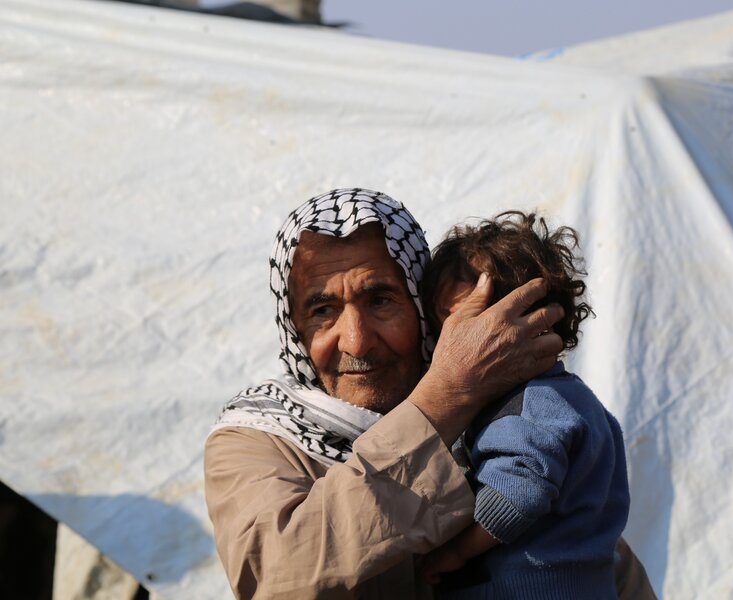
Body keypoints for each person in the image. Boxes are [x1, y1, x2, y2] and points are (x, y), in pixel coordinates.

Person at [204, 188, 656, 599]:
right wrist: (446, 397)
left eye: (381, 300)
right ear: (295, 332)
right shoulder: (257, 438)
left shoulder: (505, 414)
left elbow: (593, 559)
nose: (356, 341)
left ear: (425, 312)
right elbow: (281, 575)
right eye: (323, 310)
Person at [418, 211, 629, 598]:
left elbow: (517, 493)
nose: (453, 338)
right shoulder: (573, 399)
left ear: (534, 321)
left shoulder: (531, 405)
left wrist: (453, 553)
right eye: (443, 323)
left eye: (472, 319)